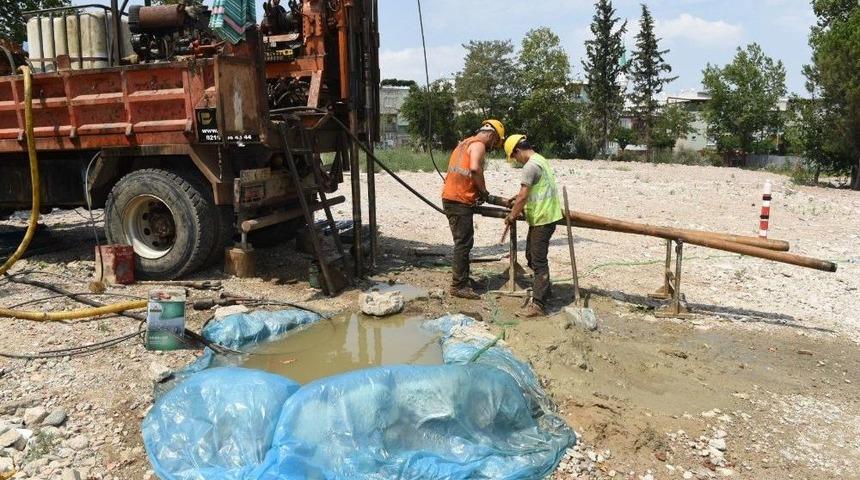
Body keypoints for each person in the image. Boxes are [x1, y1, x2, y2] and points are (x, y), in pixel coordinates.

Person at [441, 119, 509, 299]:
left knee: (464, 242)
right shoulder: (478, 145)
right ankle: (458, 286)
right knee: (463, 244)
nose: (493, 146)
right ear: (492, 135)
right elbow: (474, 168)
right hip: (459, 200)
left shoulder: (464, 143)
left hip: (453, 197)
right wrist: (484, 192)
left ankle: (463, 279)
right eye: (495, 143)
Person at [503, 134, 563, 317]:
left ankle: (538, 305)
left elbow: (523, 196)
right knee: (531, 255)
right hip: (545, 216)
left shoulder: (530, 166)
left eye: (514, 157)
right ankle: (545, 289)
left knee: (538, 260)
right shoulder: (540, 160)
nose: (515, 160)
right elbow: (531, 190)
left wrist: (512, 216)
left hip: (543, 218)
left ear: (518, 150)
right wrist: (518, 196)